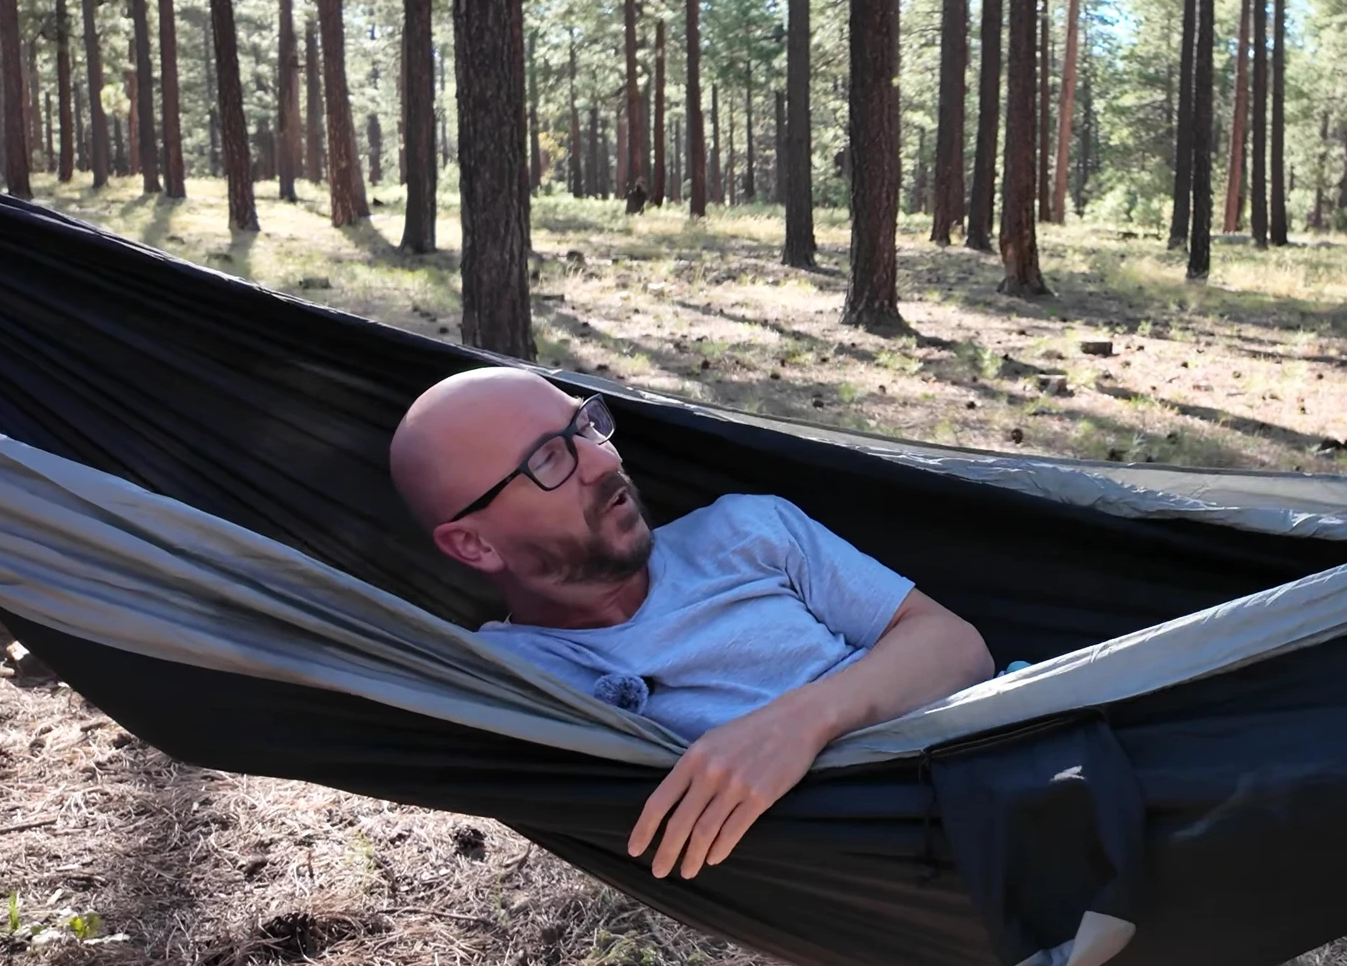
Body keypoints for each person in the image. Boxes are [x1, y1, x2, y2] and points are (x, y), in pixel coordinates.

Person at [387, 367, 992, 881]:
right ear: (473, 545)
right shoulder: (503, 679)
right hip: (929, 855)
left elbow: (956, 647)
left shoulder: (749, 533)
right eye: (549, 459)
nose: (602, 461)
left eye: (587, 425)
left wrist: (800, 722)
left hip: (1004, 752)